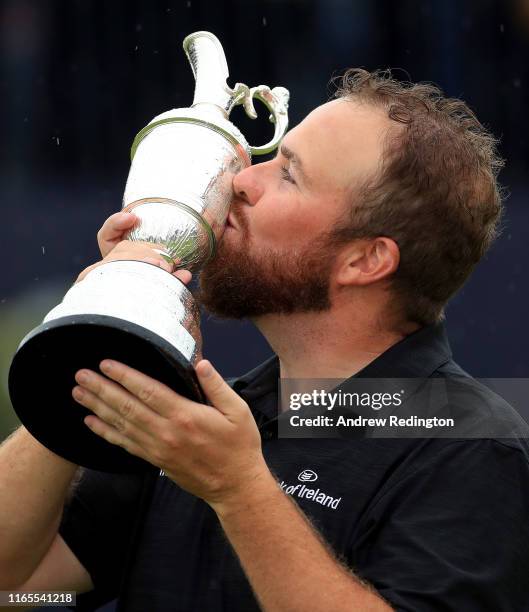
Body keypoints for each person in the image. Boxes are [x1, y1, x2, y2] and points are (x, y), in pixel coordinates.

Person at [1, 69, 529, 612]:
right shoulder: (201, 417)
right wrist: (96, 334)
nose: (242, 180)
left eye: (288, 176)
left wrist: (238, 490)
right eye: (273, 157)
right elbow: (15, 585)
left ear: (366, 260)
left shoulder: (473, 445)